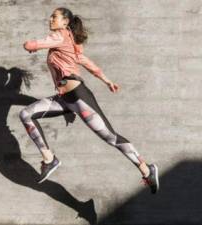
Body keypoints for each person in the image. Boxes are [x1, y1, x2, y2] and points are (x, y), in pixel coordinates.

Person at [20, 7, 159, 194]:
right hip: (64, 99)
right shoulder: (67, 41)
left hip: (78, 97)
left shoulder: (60, 35)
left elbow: (30, 45)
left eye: (55, 16)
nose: (50, 19)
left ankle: (146, 169)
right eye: (51, 16)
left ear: (65, 22)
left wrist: (30, 45)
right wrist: (106, 80)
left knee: (110, 137)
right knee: (26, 114)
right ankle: (49, 159)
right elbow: (85, 61)